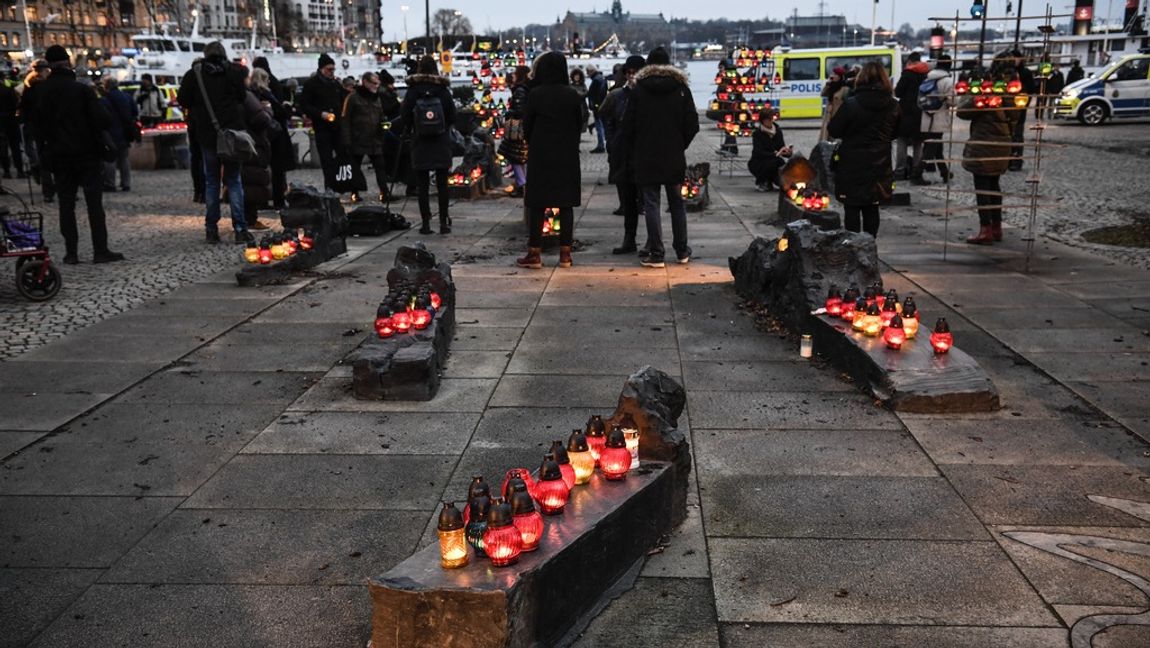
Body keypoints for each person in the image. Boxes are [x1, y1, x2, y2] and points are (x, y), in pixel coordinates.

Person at [33, 45, 124, 264]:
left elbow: (36, 126)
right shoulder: (81, 90)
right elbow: (102, 120)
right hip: (86, 154)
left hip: (58, 155)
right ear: (67, 63)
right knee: (94, 203)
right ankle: (100, 250)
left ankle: (71, 252)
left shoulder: (41, 92)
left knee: (66, 204)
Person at [622, 46, 699, 268]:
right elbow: (692, 123)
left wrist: (636, 146)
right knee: (677, 203)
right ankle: (682, 250)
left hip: (646, 154)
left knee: (651, 203)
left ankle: (656, 253)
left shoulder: (638, 90)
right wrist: (679, 143)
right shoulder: (681, 89)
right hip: (673, 154)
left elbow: (628, 125)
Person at [177, 41, 254, 244]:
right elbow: (241, 96)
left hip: (207, 136)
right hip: (231, 134)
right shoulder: (234, 72)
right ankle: (240, 228)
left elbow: (183, 99)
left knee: (211, 181)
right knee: (235, 181)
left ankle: (211, 229)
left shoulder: (195, 74)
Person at [514, 51, 583, 270]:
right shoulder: (572, 95)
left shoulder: (536, 94)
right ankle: (565, 254)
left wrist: (534, 140)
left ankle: (534, 253)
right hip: (567, 154)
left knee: (537, 203)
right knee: (566, 204)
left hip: (541, 154)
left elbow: (528, 125)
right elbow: (579, 124)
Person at [827, 61, 899, 238]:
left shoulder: (852, 104)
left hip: (852, 162)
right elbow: (897, 131)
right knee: (872, 206)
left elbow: (834, 130)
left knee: (851, 206)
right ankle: (870, 244)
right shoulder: (893, 105)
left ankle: (853, 247)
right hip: (880, 162)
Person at [957, 62, 1022, 245]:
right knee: (994, 187)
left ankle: (985, 230)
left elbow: (962, 110)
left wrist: (973, 91)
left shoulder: (986, 96)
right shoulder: (1011, 94)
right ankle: (996, 227)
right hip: (1003, 146)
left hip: (984, 147)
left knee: (983, 189)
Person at [399, 55, 455, 235]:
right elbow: (452, 115)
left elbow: (405, 115)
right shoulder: (443, 90)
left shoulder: (413, 90)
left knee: (422, 185)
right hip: (440, 140)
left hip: (420, 140)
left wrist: (412, 129)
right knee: (442, 184)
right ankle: (443, 222)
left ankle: (425, 223)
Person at [600, 54, 645, 253]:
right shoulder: (617, 95)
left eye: (636, 73)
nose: (632, 76)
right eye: (630, 72)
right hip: (623, 152)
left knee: (646, 199)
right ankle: (629, 238)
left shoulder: (648, 95)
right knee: (627, 198)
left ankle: (652, 241)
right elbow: (605, 115)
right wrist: (612, 140)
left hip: (644, 153)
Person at [341, 71, 391, 204]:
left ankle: (384, 193)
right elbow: (345, 120)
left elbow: (381, 115)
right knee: (355, 167)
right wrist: (347, 140)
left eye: (378, 83)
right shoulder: (353, 98)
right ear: (365, 82)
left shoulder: (377, 98)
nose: (376, 86)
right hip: (358, 139)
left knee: (380, 167)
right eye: (374, 83)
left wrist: (384, 125)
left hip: (374, 139)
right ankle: (354, 193)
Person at [298, 53, 346, 191]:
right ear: (322, 69)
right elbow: (305, 104)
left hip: (337, 127)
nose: (332, 73)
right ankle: (329, 187)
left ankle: (342, 185)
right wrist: (320, 114)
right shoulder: (311, 84)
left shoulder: (335, 84)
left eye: (333, 69)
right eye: (329, 70)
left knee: (342, 156)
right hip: (322, 128)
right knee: (326, 160)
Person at [251, 59, 294, 208]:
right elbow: (279, 111)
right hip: (274, 134)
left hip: (263, 134)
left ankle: (263, 199)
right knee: (278, 169)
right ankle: (278, 199)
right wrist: (287, 108)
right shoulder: (267, 94)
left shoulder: (252, 93)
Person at [242, 68, 280, 230]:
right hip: (253, 143)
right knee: (252, 182)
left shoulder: (234, 96)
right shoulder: (248, 96)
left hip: (244, 141)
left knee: (244, 181)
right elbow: (261, 119)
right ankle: (249, 219)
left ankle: (244, 219)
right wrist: (268, 109)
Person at [916, 55, 955, 185]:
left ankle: (945, 172)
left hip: (926, 117)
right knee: (930, 149)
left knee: (936, 148)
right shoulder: (947, 81)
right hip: (938, 118)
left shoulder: (927, 77)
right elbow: (952, 102)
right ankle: (916, 174)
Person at [20, 60, 54, 202]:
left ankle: (48, 192)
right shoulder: (50, 86)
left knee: (43, 157)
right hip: (51, 126)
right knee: (57, 156)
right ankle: (61, 187)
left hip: (36, 127)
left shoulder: (29, 87)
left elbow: (23, 108)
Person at [894, 52, 929, 180]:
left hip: (906, 112)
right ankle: (916, 171)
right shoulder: (925, 74)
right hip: (920, 112)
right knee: (918, 144)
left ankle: (900, 171)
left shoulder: (907, 74)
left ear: (909, 61)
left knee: (902, 141)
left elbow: (898, 92)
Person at [98, 77, 137, 192]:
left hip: (111, 132)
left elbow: (103, 117)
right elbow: (134, 112)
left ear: (107, 86)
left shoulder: (105, 99)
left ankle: (110, 183)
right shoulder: (127, 96)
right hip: (125, 131)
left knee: (111, 159)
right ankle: (126, 183)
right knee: (124, 159)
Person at [498, 65, 530, 198]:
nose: (513, 75)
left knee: (515, 156)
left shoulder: (520, 90)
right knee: (520, 157)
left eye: (515, 73)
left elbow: (519, 110)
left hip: (516, 128)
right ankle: (523, 183)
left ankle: (521, 184)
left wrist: (508, 113)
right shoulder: (525, 89)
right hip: (523, 127)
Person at [1006, 49, 1036, 171]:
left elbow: (1031, 89)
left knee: (1017, 134)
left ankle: (1016, 160)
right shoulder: (1007, 72)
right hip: (1007, 108)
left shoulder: (1025, 73)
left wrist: (1023, 102)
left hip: (1019, 109)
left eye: (1015, 58)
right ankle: (1007, 159)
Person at [748, 109, 790, 191]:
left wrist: (787, 152)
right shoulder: (758, 134)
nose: (770, 121)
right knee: (772, 163)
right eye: (767, 120)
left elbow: (781, 147)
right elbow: (758, 151)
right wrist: (775, 154)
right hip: (760, 162)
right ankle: (762, 181)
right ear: (763, 121)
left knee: (780, 164)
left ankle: (777, 181)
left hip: (775, 160)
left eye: (771, 119)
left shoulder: (777, 131)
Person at [0, 72, 24, 179]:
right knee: (15, 147)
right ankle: (20, 170)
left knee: (2, 148)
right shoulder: (8, 90)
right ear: (3, 78)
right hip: (11, 121)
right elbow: (16, 105)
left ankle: (6, 171)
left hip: (1, 123)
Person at [818, 66, 848, 141]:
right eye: (833, 74)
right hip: (828, 117)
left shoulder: (844, 89)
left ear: (840, 77)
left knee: (835, 140)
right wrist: (827, 84)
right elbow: (822, 94)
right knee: (827, 139)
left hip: (838, 117)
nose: (833, 76)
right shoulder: (831, 86)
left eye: (835, 75)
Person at [586, 64, 608, 153]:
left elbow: (592, 94)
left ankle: (601, 145)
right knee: (601, 125)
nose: (587, 74)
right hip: (601, 105)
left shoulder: (596, 80)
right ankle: (602, 144)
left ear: (590, 71)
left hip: (597, 106)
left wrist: (594, 105)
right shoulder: (601, 78)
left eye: (587, 72)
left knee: (599, 126)